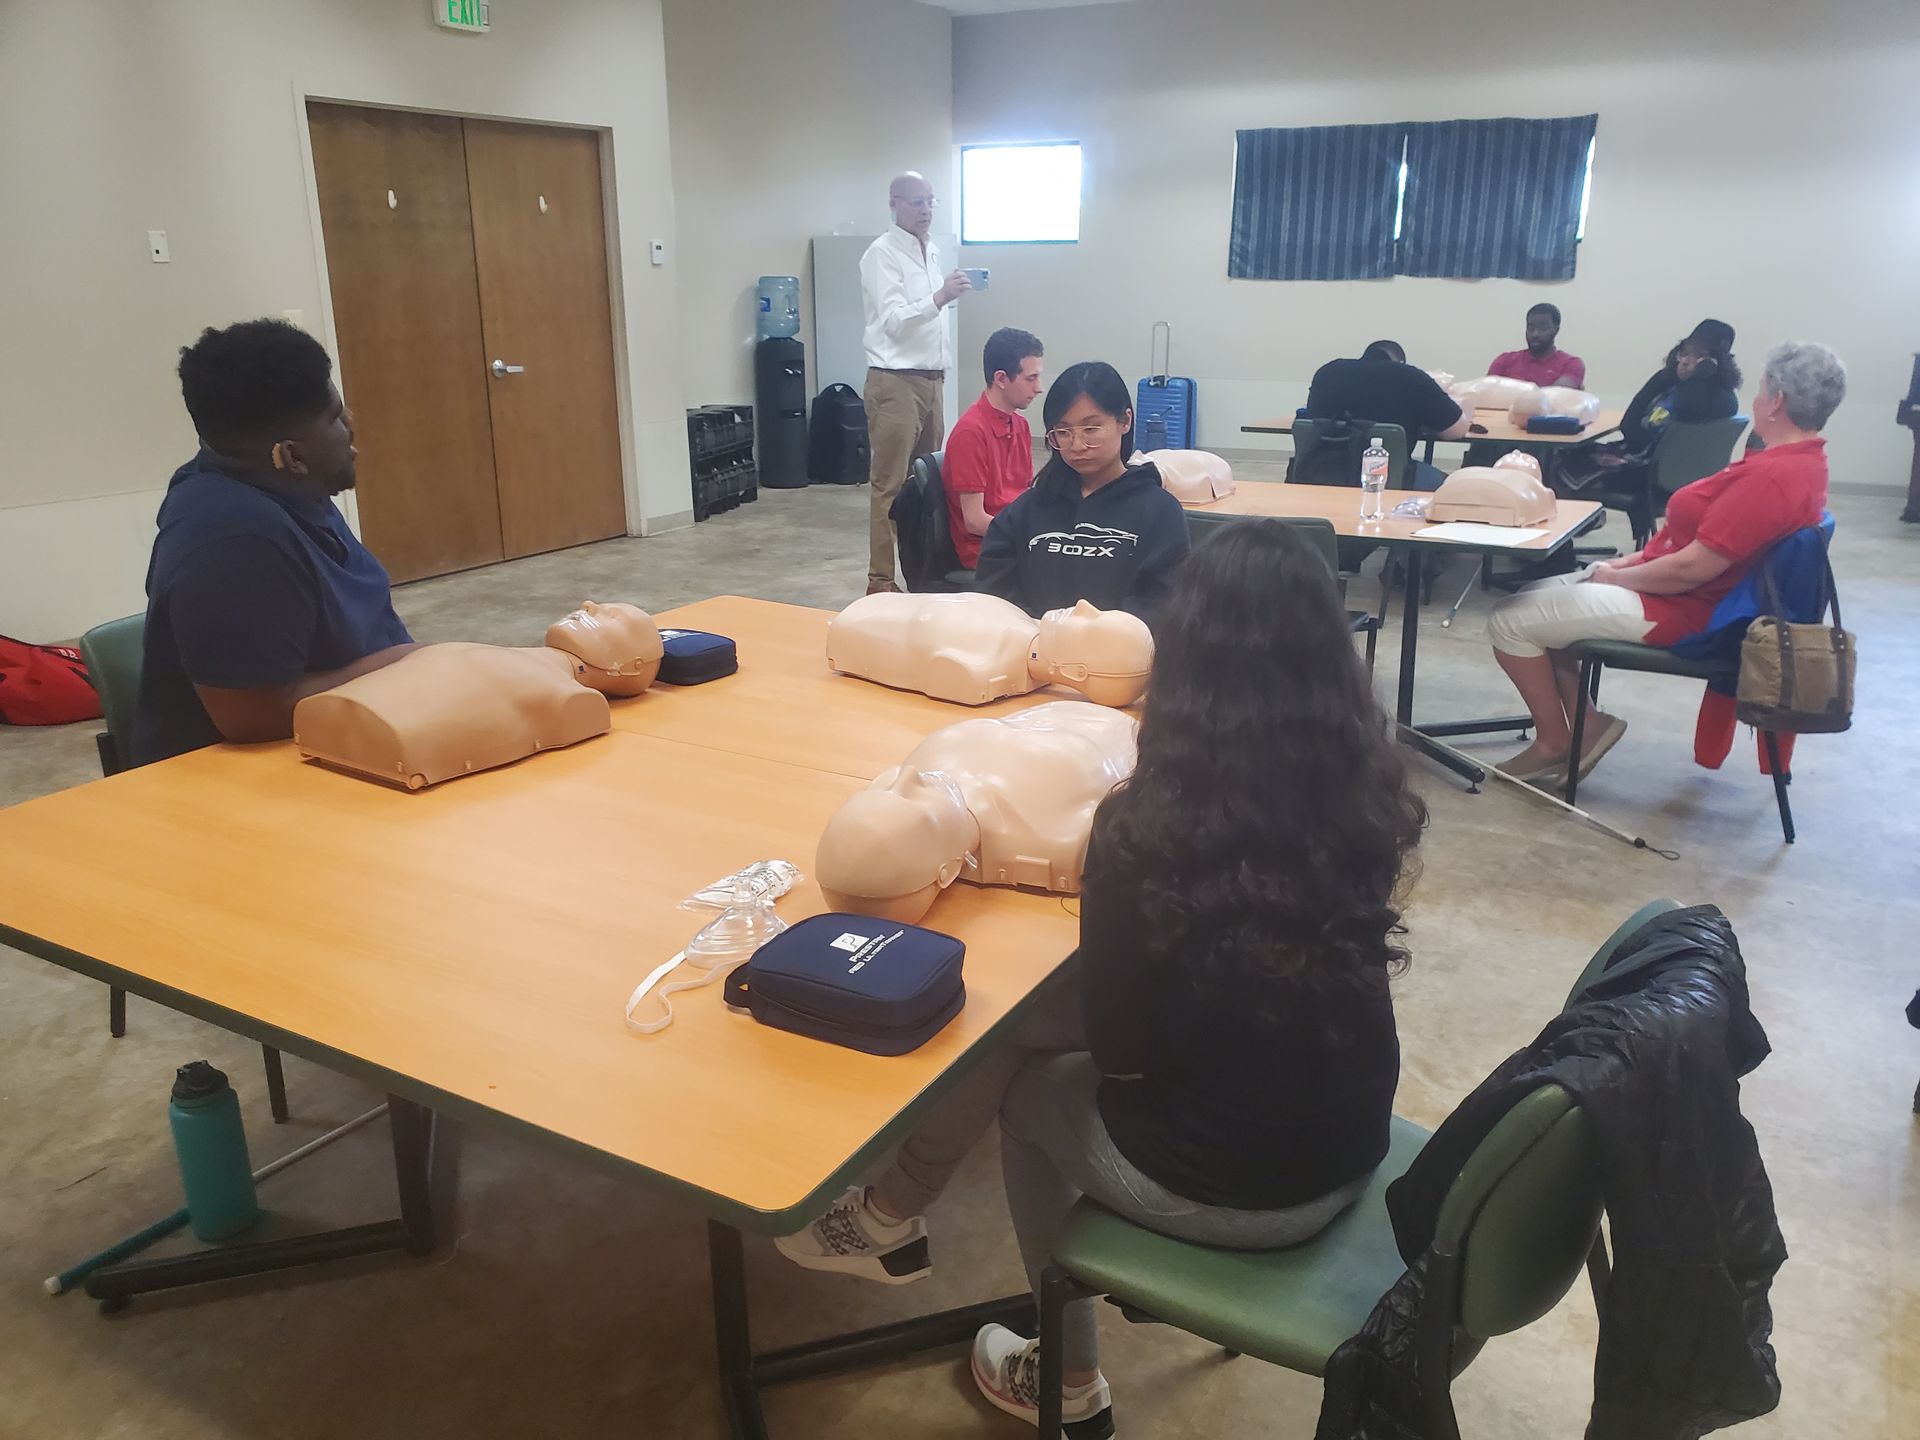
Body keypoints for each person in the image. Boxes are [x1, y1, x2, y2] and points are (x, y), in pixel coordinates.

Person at [779, 521, 1424, 1436]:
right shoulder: (1361, 788)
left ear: (1186, 661)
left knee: (1023, 1081)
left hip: (1237, 1194)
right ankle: (889, 1214)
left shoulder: (1151, 826)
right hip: (1352, 1142)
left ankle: (1063, 1369)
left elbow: (1121, 1052)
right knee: (1021, 1017)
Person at [1487, 341, 1845, 784]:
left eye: (1761, 389)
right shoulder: (1798, 463)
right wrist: (1626, 565)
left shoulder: (1774, 478)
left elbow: (1689, 569)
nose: (1755, 398)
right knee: (1535, 597)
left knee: (1508, 620)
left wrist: (1618, 575)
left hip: (1686, 611)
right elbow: (1692, 545)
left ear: (1777, 401)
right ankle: (1588, 727)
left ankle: (1555, 742)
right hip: (1686, 595)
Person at [131, 319, 416, 767]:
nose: (351, 424)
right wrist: (411, 664)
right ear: (293, 455)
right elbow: (251, 719)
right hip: (238, 783)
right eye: (334, 416)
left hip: (349, 736)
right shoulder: (230, 536)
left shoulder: (284, 486)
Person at [971, 361, 1190, 626]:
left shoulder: (1159, 511)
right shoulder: (1027, 509)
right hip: (1031, 654)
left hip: (1116, 660)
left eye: (1091, 429)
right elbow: (994, 592)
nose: (1077, 445)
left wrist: (1095, 640)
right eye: (1063, 432)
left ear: (1125, 421)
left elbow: (1160, 603)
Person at [861, 171, 973, 595]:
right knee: (889, 485)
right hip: (895, 381)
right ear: (894, 203)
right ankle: (880, 581)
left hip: (931, 379)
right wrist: (940, 297)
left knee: (926, 484)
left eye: (930, 201)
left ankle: (925, 573)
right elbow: (892, 321)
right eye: (915, 202)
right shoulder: (881, 254)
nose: (925, 210)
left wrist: (942, 294)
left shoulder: (931, 251)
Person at [1555, 319, 1742, 505]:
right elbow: (1628, 424)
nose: (1685, 361)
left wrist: (1701, 373)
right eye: (1684, 353)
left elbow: (1688, 406)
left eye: (1698, 356)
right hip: (1639, 456)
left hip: (1654, 473)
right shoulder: (1668, 382)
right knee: (1562, 456)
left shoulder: (1723, 399)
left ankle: (1576, 522)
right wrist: (1665, 376)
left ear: (1714, 364)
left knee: (1561, 469)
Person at [1304, 339, 1468, 490]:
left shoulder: (1328, 372)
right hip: (1391, 479)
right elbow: (1455, 431)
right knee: (1455, 487)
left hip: (1320, 474)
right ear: (1400, 361)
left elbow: (1311, 418)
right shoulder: (1411, 377)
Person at [944, 327, 1044, 570]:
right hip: (986, 550)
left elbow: (1025, 496)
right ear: (1001, 379)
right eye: (1031, 378)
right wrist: (1032, 534)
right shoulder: (971, 432)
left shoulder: (1019, 425)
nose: (1039, 387)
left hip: (1013, 537)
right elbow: (975, 521)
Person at [1488, 302, 1586, 388]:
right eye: (1530, 328)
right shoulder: (1505, 360)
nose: (1535, 334)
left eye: (1543, 328)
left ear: (1556, 330)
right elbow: (1487, 392)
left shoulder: (1571, 364)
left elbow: (1554, 397)